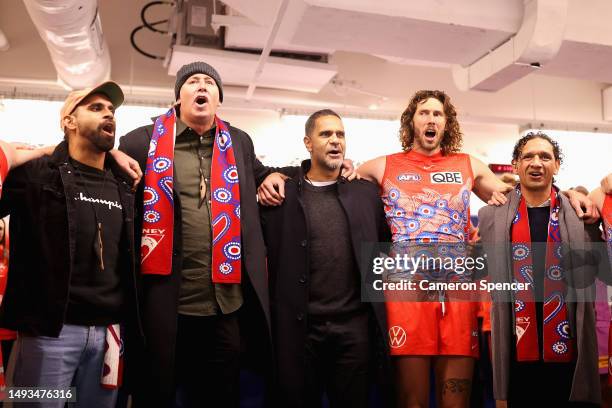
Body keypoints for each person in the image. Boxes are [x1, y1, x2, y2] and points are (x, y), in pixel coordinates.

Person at [354, 90, 597, 407]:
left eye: (437, 114)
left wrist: (569, 195)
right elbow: (334, 185)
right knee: (410, 400)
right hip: (406, 293)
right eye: (424, 112)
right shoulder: (380, 166)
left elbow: (525, 194)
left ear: (446, 122)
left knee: (456, 400)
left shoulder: (468, 165)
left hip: (458, 294)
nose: (431, 119)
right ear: (411, 121)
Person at [0, 81, 142, 407]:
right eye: (96, 108)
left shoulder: (125, 182)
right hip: (49, 335)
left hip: (110, 335)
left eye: (111, 110)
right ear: (69, 122)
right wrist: (37, 151)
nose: (108, 114)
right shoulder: (36, 175)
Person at [260, 109, 391, 407]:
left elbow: (384, 250)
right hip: (300, 330)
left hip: (353, 330)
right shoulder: (282, 195)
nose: (335, 141)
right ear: (308, 143)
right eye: (326, 134)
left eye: (340, 134)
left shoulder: (365, 195)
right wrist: (272, 176)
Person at [478, 132, 609, 406]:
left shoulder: (580, 214)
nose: (536, 163)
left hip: (567, 336)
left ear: (557, 165)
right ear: (515, 165)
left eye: (545, 157)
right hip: (515, 337)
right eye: (528, 156)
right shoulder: (492, 216)